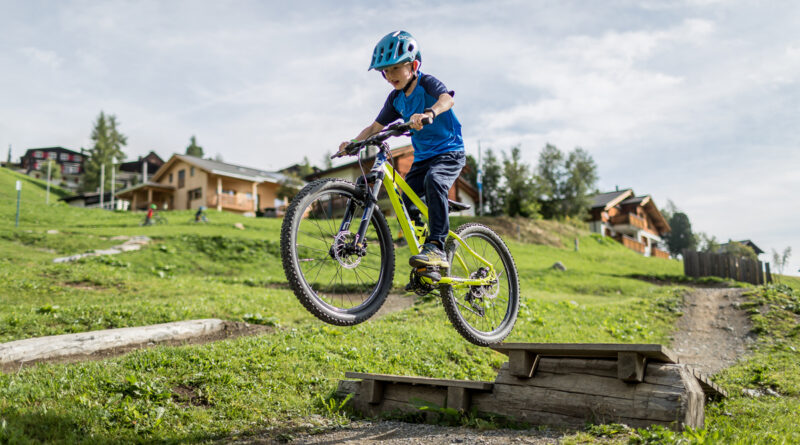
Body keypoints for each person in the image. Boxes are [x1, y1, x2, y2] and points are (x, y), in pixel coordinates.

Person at [339, 30, 465, 270]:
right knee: (405, 203)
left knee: (435, 180)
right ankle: (426, 253)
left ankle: (437, 247)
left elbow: (447, 99)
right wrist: (353, 144)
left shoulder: (426, 83)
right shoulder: (395, 99)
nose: (389, 75)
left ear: (414, 65)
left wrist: (430, 113)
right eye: (384, 71)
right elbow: (376, 127)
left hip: (449, 151)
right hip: (423, 158)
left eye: (395, 68)